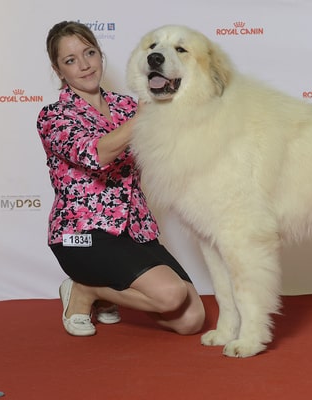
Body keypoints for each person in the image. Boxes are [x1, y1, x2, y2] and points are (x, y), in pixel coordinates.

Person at [36, 21, 205, 337]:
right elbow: (95, 155)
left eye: (89, 53)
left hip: (135, 229)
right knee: (170, 294)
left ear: (100, 54)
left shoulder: (127, 105)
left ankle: (102, 290)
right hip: (82, 235)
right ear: (58, 70)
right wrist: (142, 119)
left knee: (191, 319)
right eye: (71, 60)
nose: (85, 65)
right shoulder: (53, 117)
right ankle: (85, 291)